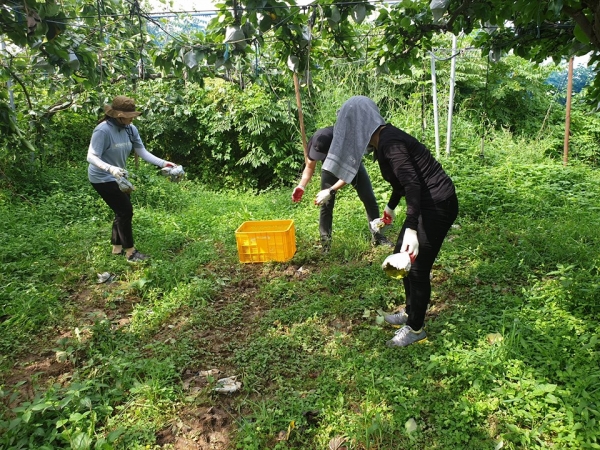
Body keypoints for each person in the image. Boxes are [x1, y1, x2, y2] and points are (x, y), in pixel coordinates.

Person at [320, 96, 458, 347]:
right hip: (426, 204)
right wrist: (391, 207)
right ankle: (409, 312)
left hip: (438, 204)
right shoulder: (384, 141)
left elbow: (414, 184)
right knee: (400, 257)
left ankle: (416, 329)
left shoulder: (391, 144)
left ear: (359, 125)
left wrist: (412, 229)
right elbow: (403, 182)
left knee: (415, 266)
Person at [87, 95, 177, 263]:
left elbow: (141, 151)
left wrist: (164, 163)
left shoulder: (130, 129)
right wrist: (110, 168)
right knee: (125, 211)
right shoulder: (102, 130)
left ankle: (117, 249)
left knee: (121, 211)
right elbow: (91, 157)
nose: (132, 119)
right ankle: (131, 253)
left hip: (119, 177)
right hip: (101, 177)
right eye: (129, 117)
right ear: (118, 115)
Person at [291, 126, 393, 252]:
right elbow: (310, 167)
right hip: (329, 170)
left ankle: (378, 237)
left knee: (369, 199)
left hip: (352, 167)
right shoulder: (316, 142)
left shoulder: (347, 143)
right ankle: (326, 244)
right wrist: (301, 185)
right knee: (326, 204)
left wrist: (330, 190)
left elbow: (348, 174)